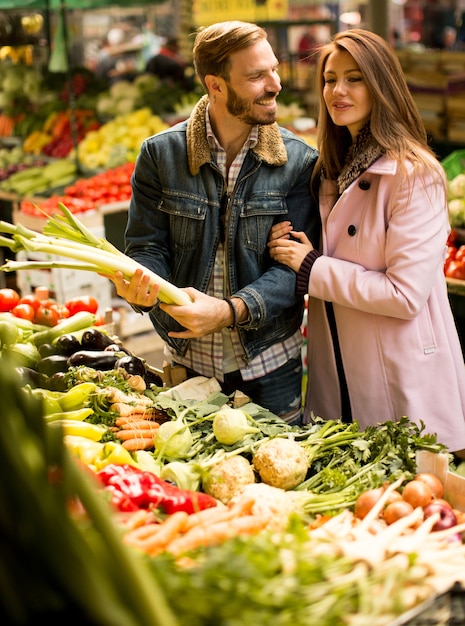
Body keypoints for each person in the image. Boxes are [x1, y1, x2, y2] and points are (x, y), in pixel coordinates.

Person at [110, 21, 320, 424]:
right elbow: (147, 247)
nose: (275, 84)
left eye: (273, 69)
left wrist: (228, 311)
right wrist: (140, 285)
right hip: (187, 361)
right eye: (257, 75)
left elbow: (293, 271)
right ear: (216, 85)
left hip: (270, 363)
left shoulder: (298, 160)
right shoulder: (160, 156)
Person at [268, 28, 465, 456]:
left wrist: (311, 266)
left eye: (354, 78)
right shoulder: (332, 169)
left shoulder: (414, 173)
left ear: (381, 84)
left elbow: (404, 294)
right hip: (338, 374)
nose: (337, 90)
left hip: (397, 378)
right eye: (329, 78)